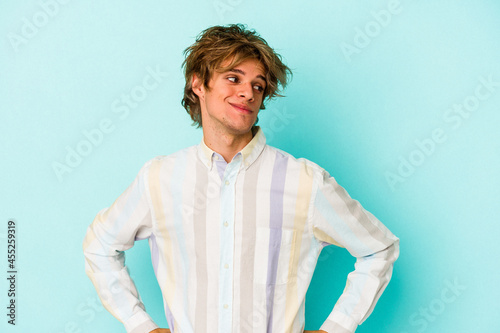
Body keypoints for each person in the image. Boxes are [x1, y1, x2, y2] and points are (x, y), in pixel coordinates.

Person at [83, 24, 399, 333]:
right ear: (198, 84)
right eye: (233, 78)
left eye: (258, 86)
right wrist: (140, 326)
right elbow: (100, 246)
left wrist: (339, 327)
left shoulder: (303, 181)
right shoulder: (160, 178)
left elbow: (379, 248)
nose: (247, 92)